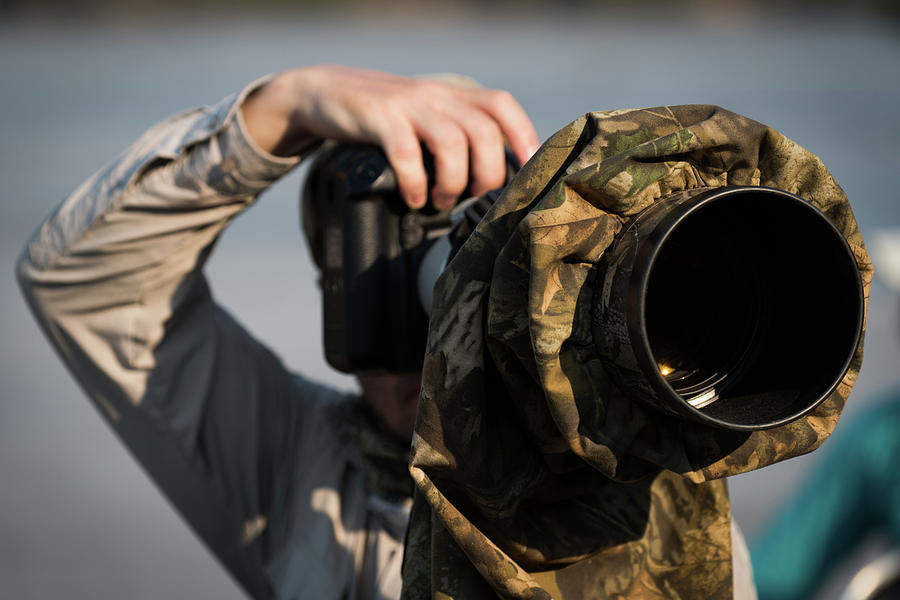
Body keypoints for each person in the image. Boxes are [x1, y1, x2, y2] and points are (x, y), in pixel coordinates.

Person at [16, 65, 539, 599]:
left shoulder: (608, 426)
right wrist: (283, 108)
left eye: (475, 262)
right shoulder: (302, 471)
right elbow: (87, 281)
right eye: (383, 282)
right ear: (331, 293)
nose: (435, 334)